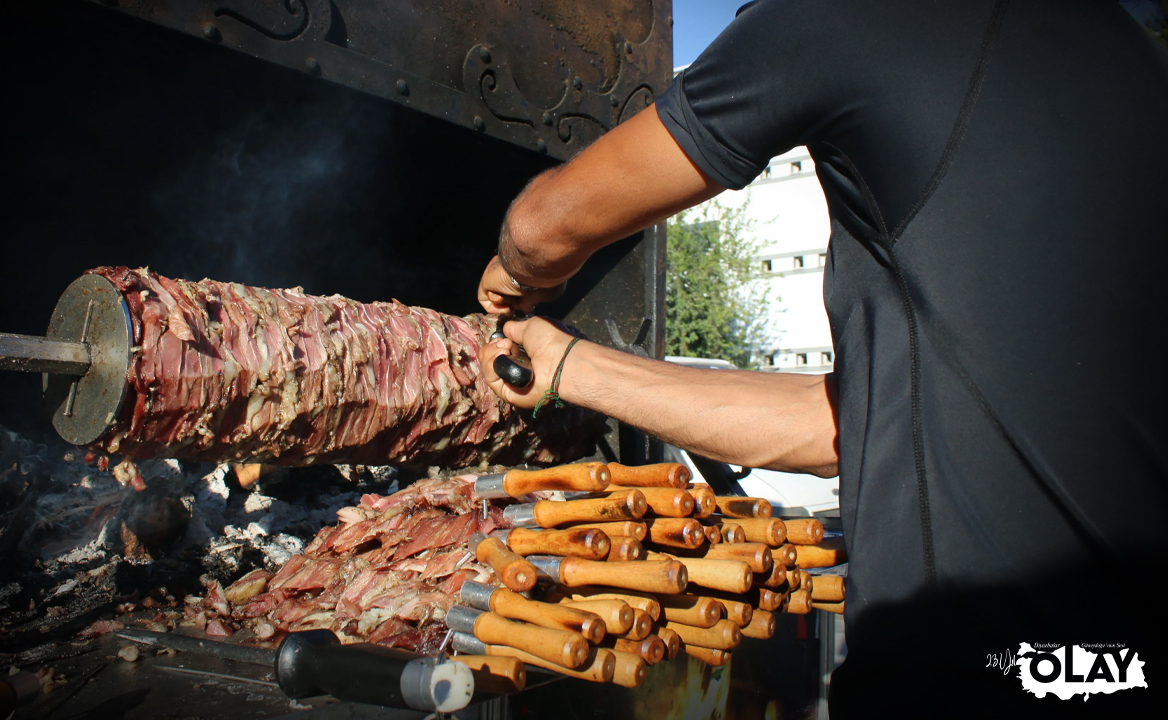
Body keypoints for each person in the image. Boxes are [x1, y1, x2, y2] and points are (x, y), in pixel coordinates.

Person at [474, 0, 1167, 716]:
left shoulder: (858, 15)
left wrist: (517, 274)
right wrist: (573, 367)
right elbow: (841, 425)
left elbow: (542, 230)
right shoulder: (1127, 55)